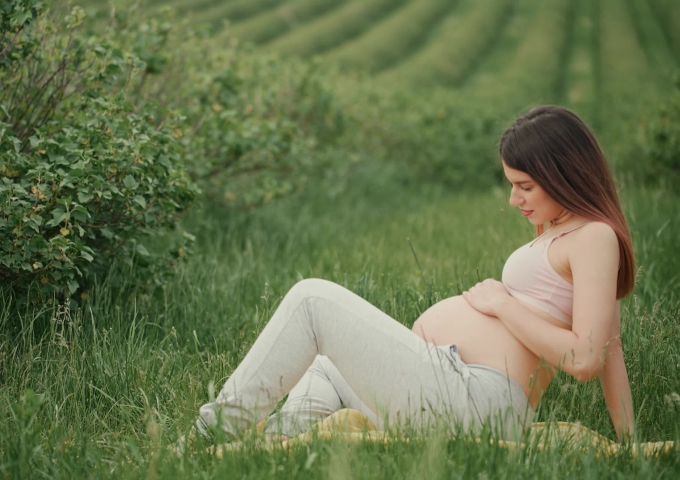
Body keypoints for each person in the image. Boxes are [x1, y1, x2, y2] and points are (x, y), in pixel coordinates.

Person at [183, 105, 636, 446]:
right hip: (450, 384)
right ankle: (266, 450)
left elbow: (589, 358)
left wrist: (503, 304)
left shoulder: (594, 236)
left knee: (312, 300)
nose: (514, 200)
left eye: (525, 186)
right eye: (511, 185)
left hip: (478, 403)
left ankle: (211, 433)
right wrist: (628, 445)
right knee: (326, 367)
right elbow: (611, 346)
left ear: (564, 174)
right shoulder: (563, 231)